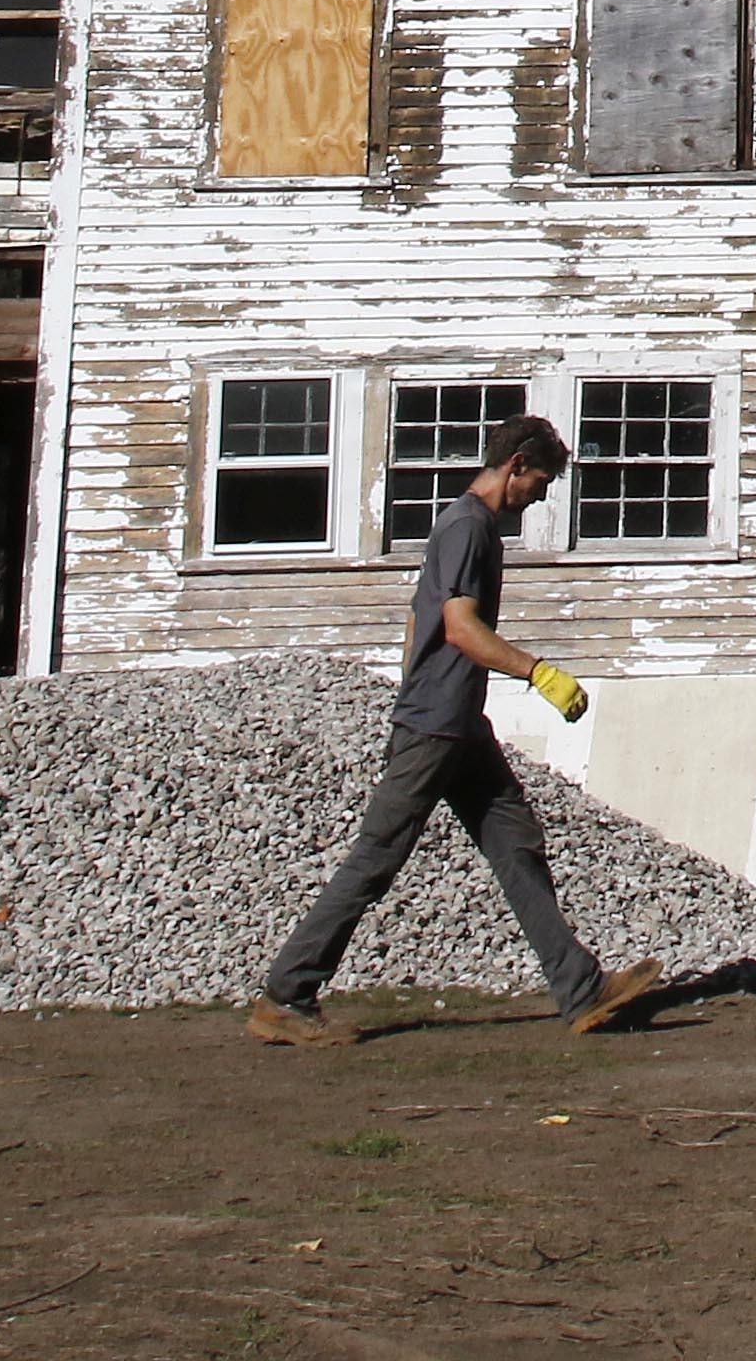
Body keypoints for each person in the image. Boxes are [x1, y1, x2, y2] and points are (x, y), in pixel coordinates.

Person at [249, 414, 659, 1045]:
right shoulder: (468, 527)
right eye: (542, 481)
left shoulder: (467, 527)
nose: (542, 496)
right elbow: (460, 630)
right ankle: (286, 994)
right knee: (377, 858)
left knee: (514, 840)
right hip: (436, 726)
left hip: (456, 721)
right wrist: (538, 673)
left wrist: (424, 685)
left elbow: (418, 626)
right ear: (516, 464)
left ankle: (580, 990)